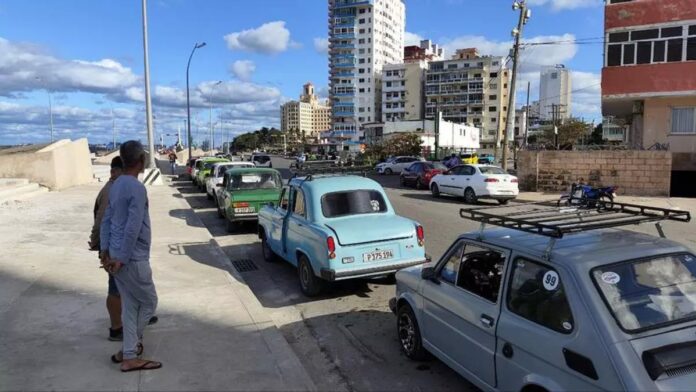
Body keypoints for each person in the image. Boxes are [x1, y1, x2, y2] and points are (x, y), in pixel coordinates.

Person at [101, 141, 162, 372]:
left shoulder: (116, 185)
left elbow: (107, 219)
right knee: (149, 303)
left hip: (116, 256)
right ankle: (131, 349)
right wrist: (122, 258)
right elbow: (132, 227)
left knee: (131, 307)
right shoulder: (136, 188)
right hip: (131, 259)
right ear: (139, 161)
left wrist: (106, 252)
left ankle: (128, 353)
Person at [89, 156, 124, 341]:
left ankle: (131, 318)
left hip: (113, 246)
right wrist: (100, 247)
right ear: (114, 172)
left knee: (123, 286)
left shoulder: (116, 188)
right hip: (111, 248)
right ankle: (116, 328)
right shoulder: (111, 190)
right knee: (115, 289)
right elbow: (101, 222)